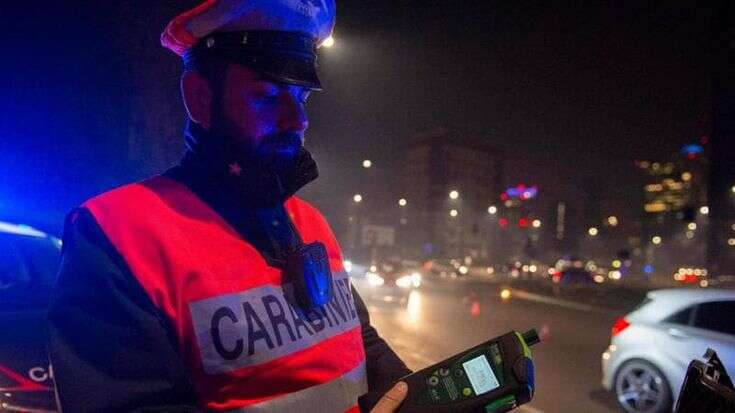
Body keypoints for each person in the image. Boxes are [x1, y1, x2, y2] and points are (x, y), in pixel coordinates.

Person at [47, 1, 411, 411]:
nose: (298, 121)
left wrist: (425, 400)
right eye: (267, 96)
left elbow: (359, 341)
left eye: (302, 98)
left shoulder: (310, 222)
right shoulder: (115, 234)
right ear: (200, 99)